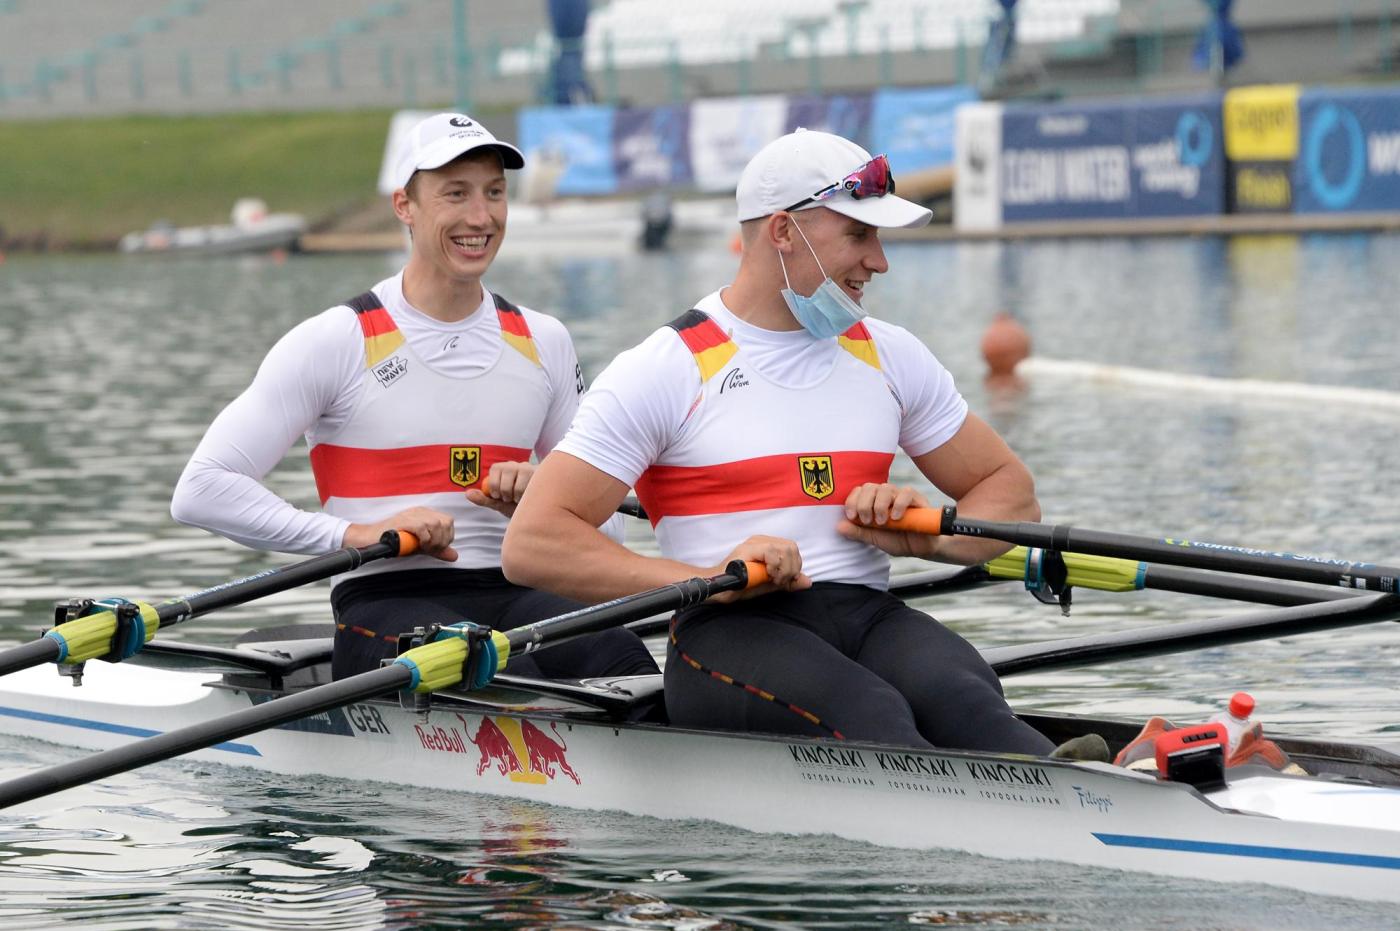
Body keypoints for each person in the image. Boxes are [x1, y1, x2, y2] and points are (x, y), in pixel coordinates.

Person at [502, 129, 1060, 756]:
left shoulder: (888, 354)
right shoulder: (668, 368)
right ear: (784, 231)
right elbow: (534, 543)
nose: (880, 261)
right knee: (871, 715)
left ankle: (1093, 788)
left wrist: (934, 538)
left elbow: (1012, 495)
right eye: (859, 235)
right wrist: (708, 577)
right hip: (728, 631)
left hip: (868, 616)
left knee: (966, 702)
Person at [172, 112, 657, 683]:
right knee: (476, 667)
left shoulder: (543, 340)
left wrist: (544, 499)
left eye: (494, 193)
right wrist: (355, 535)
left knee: (625, 660)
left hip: (519, 590)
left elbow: (608, 527)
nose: (481, 217)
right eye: (456, 194)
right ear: (405, 205)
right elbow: (202, 490)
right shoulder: (337, 340)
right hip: (384, 598)